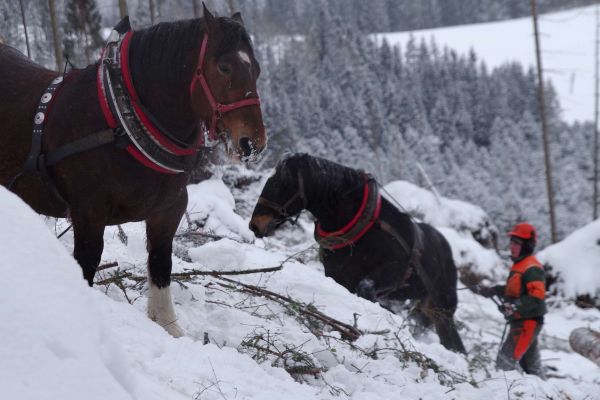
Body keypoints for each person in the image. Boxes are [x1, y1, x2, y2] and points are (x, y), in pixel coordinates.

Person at [478, 222, 547, 379]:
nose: (512, 246)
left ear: (528, 246)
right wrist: (494, 290)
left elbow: (537, 298)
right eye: (512, 242)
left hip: (527, 323)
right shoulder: (520, 265)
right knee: (532, 368)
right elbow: (515, 290)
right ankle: (546, 393)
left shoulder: (532, 268)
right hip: (522, 321)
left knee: (504, 364)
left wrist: (514, 307)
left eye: (517, 243)